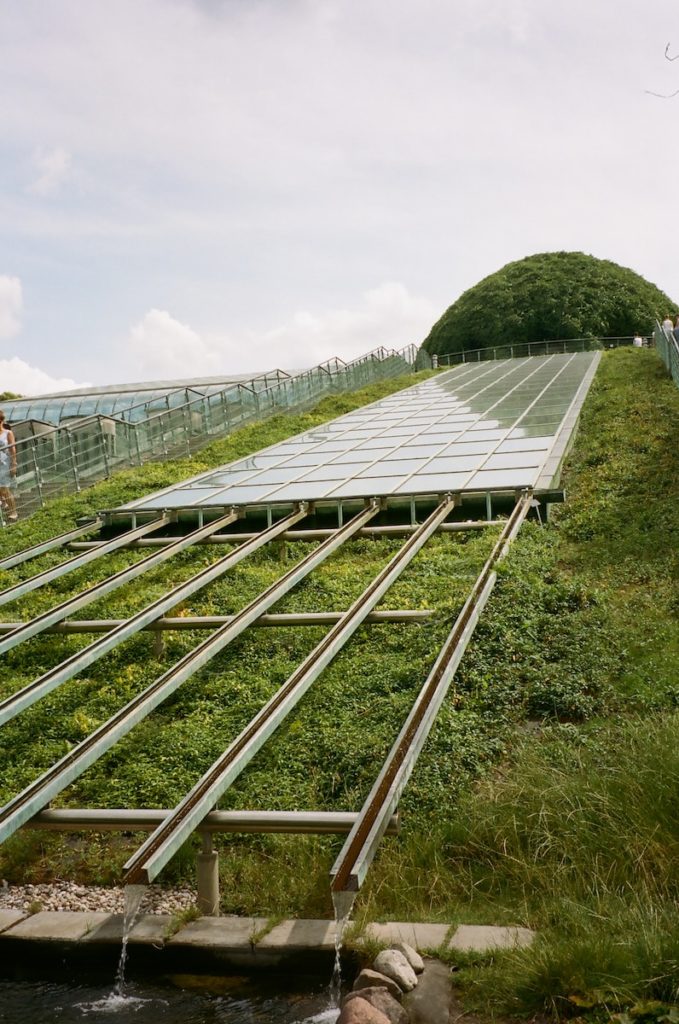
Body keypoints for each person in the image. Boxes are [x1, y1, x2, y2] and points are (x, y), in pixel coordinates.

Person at [0, 410, 18, 522]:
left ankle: (13, 512)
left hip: (5, 464)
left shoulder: (8, 433)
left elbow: (13, 449)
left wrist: (14, 464)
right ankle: (4, 503)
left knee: (4, 489)